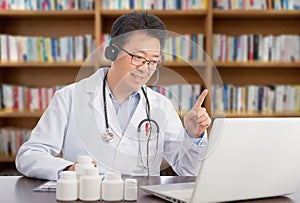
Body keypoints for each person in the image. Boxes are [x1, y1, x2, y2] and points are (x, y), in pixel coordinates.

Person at [15, 12, 211, 180]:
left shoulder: (161, 105)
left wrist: (193, 136)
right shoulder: (69, 97)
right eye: (138, 57)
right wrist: (69, 170)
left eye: (153, 61)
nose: (145, 69)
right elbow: (29, 155)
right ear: (113, 51)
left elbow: (188, 169)